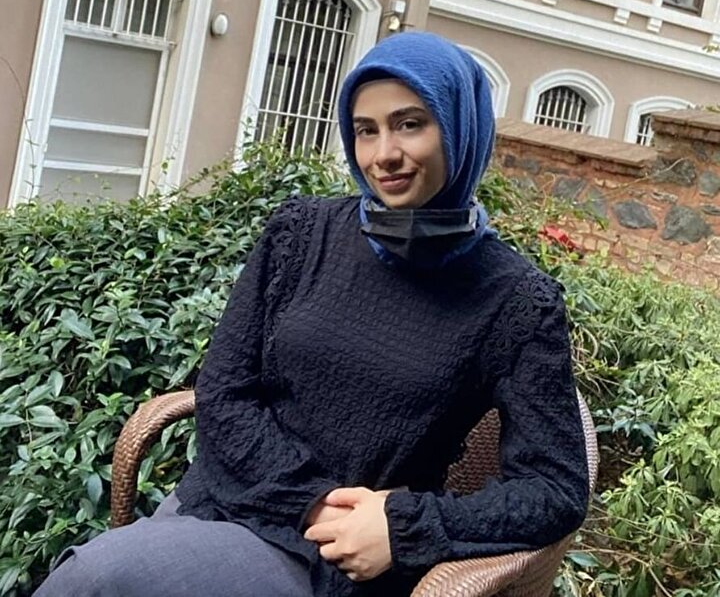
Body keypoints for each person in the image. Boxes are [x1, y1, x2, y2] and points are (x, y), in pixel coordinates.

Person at [36, 31, 589, 597]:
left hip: (334, 556)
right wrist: (310, 500)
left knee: (98, 579)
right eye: (365, 130)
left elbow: (554, 488)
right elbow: (224, 391)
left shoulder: (515, 300)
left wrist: (407, 527)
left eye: (409, 124)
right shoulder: (301, 233)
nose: (383, 155)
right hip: (227, 499)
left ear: (460, 125)